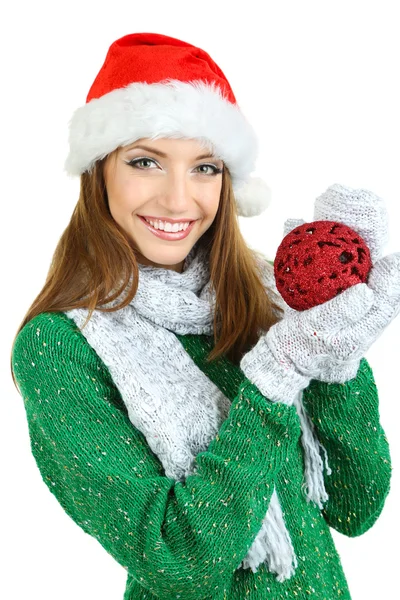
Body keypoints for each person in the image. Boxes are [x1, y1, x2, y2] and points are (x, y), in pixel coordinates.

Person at [10, 32, 400, 600]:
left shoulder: (266, 299)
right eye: (145, 161)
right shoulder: (61, 347)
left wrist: (338, 364)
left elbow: (355, 506)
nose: (177, 199)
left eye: (204, 168)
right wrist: (272, 380)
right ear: (99, 173)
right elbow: (179, 560)